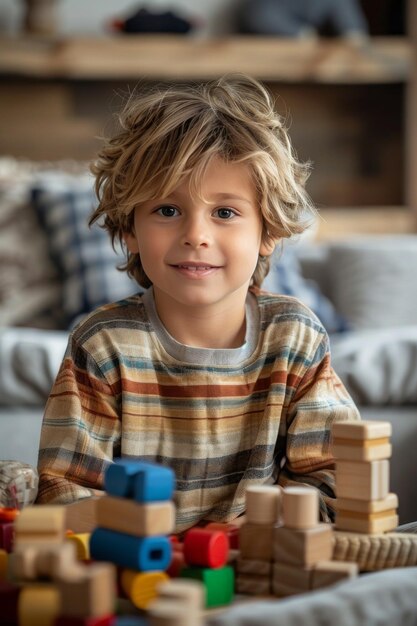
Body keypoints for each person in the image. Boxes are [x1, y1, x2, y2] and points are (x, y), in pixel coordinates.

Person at [36, 74, 360, 532]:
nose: (195, 235)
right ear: (129, 229)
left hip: (261, 563)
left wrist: (258, 532)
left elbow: (333, 481)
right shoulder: (103, 344)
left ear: (267, 232)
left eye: (225, 212)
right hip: (141, 569)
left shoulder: (295, 337)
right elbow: (65, 491)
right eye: (167, 210)